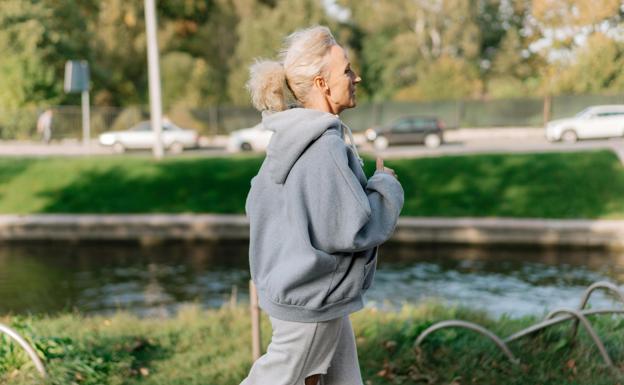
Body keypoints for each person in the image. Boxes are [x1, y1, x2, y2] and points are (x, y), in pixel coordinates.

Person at [242, 26, 404, 385]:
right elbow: (351, 229)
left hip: (308, 294)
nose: (356, 76)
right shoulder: (323, 147)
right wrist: (386, 187)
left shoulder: (289, 138)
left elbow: (257, 204)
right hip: (311, 301)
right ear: (321, 84)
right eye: (346, 70)